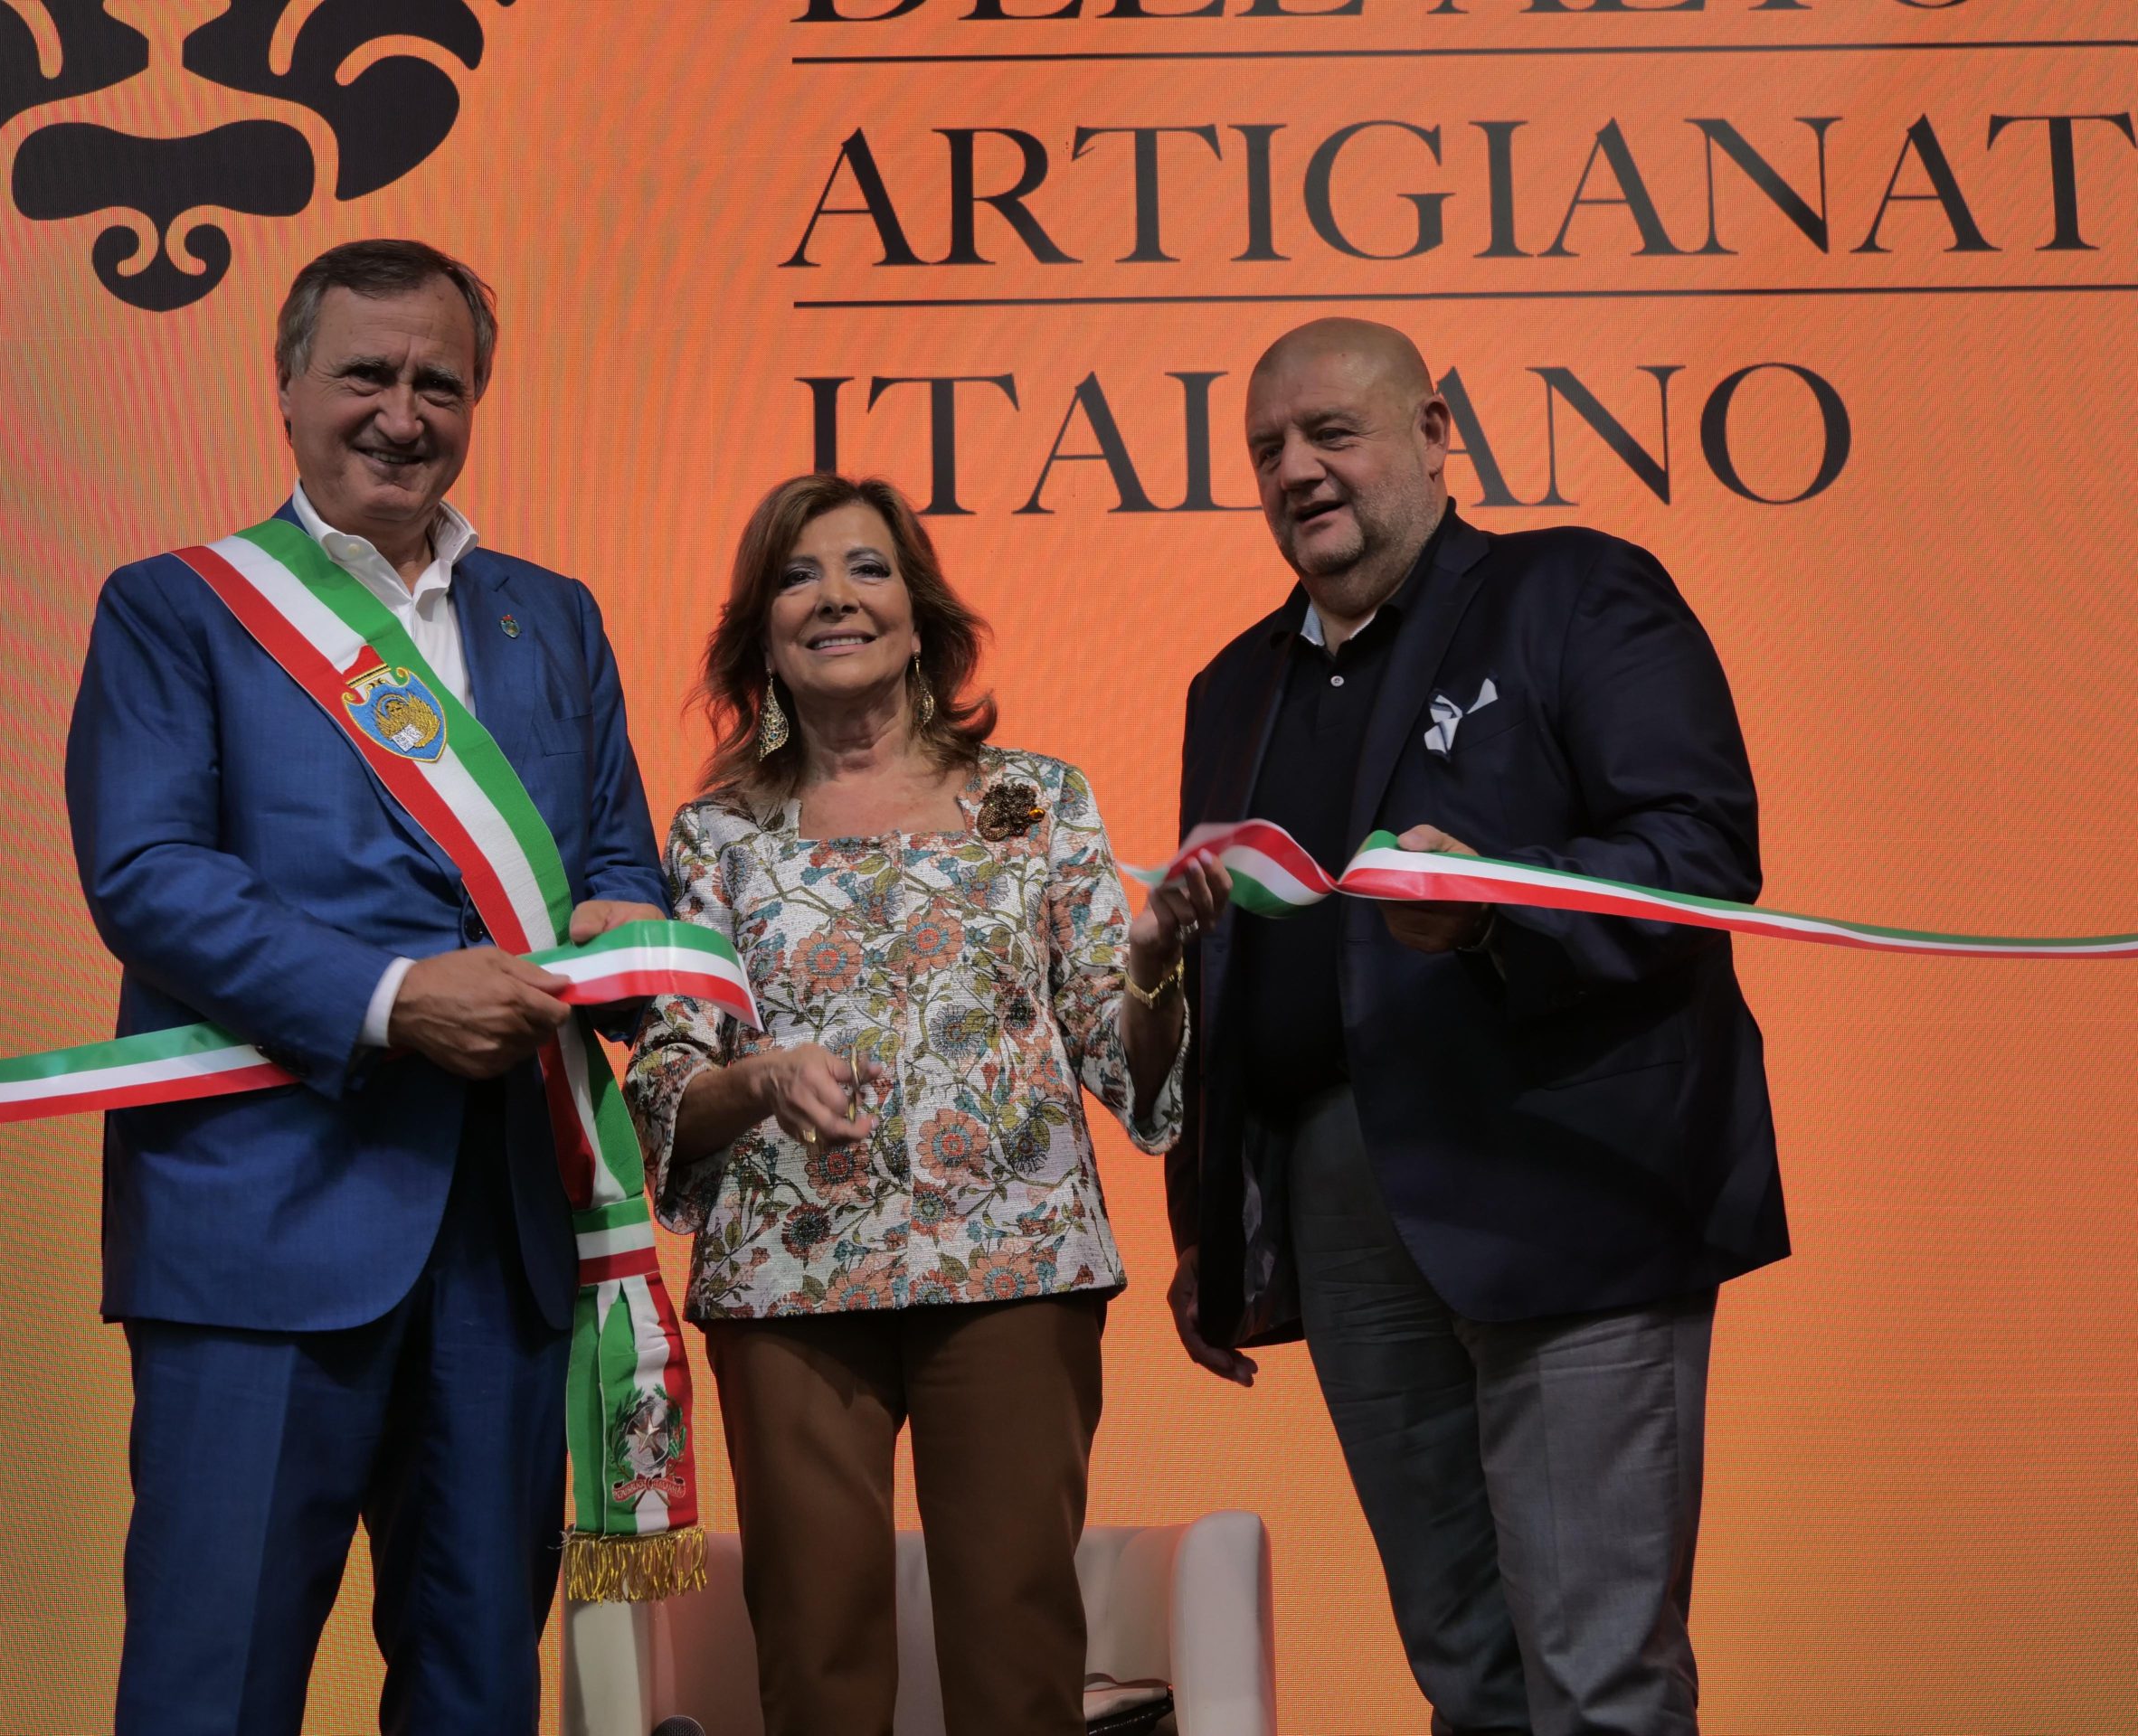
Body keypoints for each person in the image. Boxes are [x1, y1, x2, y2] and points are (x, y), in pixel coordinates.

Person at [65, 239, 667, 1734]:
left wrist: (623, 934)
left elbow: (619, 860)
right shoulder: (175, 610)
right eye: (366, 376)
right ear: (286, 388)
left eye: (438, 384)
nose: (403, 416)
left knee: (479, 1690)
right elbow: (148, 875)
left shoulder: (555, 616)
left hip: (507, 1236)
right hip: (258, 1225)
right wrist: (394, 998)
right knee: (213, 1688)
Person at [1165, 317, 1785, 1736]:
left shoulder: (1572, 590)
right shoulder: (1231, 686)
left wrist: (1501, 906)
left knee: (1597, 1669)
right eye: (1266, 448)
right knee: (1465, 1671)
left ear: (1436, 432)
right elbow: (1232, 970)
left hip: (1560, 1179)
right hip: (1340, 1199)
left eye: (1332, 432)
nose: (1296, 469)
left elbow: (1698, 848)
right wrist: (1210, 1221)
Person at [624, 472, 1228, 1736]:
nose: (835, 597)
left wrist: (1156, 962)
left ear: (920, 618)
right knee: (817, 1659)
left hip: (1015, 1269)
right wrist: (763, 1078)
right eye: (798, 576)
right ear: (760, 636)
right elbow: (669, 1080)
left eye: (868, 568)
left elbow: (1123, 1065)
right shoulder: (716, 835)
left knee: (1018, 1653)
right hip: (789, 1282)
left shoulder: (1035, 802)